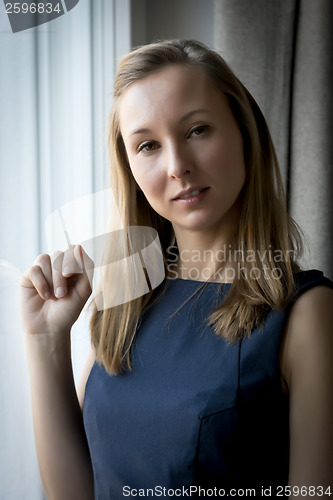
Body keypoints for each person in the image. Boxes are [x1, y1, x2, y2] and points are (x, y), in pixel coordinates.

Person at [20, 39, 333, 499]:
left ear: (246, 133)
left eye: (197, 130)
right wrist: (44, 340)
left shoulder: (308, 314)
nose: (177, 166)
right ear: (130, 169)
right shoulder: (128, 298)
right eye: (148, 145)